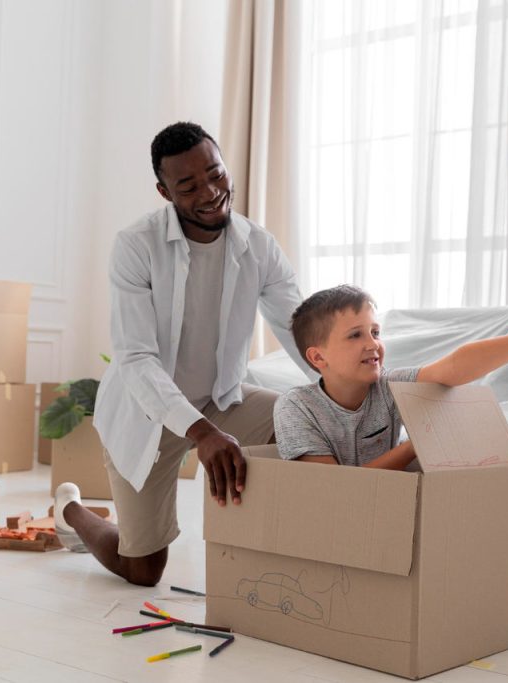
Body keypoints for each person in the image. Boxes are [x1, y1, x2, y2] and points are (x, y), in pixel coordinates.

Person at [53, 122, 306, 586]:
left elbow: (299, 329)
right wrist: (202, 433)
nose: (210, 192)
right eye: (188, 186)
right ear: (164, 191)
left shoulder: (260, 246)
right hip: (147, 414)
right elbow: (136, 359)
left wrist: (346, 385)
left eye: (215, 174)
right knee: (143, 570)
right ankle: (71, 512)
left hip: (221, 399)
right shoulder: (136, 246)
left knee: (307, 422)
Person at [274, 285, 508, 470]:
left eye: (375, 332)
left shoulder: (387, 386)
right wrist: (413, 448)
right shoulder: (297, 406)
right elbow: (333, 491)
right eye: (355, 336)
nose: (373, 344)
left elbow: (452, 368)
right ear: (318, 357)